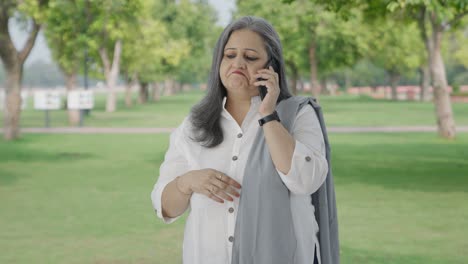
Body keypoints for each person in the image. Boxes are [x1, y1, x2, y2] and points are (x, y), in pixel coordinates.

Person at [151, 16, 338, 264]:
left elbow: (305, 181)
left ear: (271, 67)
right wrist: (187, 182)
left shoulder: (298, 115)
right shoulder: (194, 124)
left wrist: (269, 115)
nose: (238, 63)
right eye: (229, 55)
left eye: (250, 57)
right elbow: (166, 208)